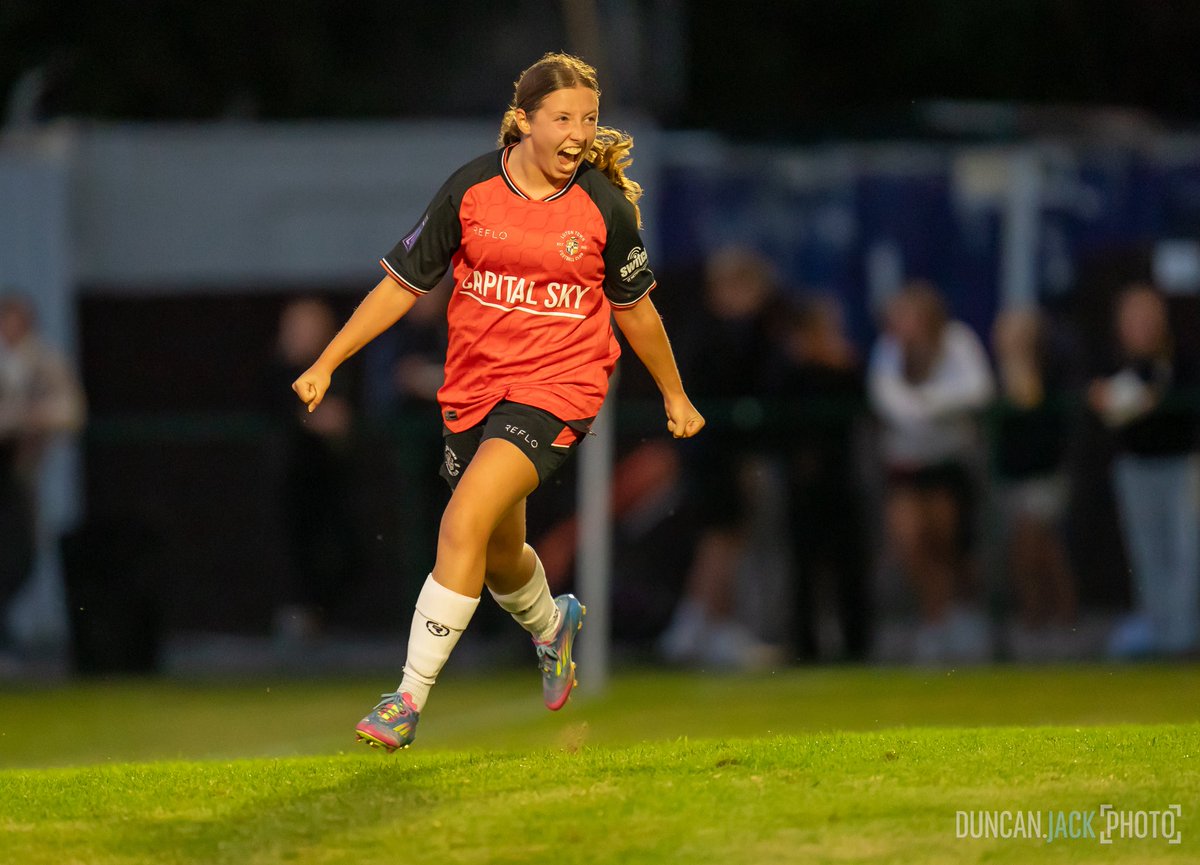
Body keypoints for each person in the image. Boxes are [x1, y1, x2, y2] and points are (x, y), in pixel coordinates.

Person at [291, 53, 704, 751]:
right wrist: (330, 360)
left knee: (460, 523)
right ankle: (552, 623)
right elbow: (401, 284)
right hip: (474, 390)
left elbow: (636, 312)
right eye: (563, 118)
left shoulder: (603, 207)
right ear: (525, 121)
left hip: (559, 389)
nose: (579, 133)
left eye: (590, 119)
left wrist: (674, 390)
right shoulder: (472, 189)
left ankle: (404, 699)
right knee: (500, 550)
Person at [867, 280, 994, 663]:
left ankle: (963, 617)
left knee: (949, 542)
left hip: (948, 464)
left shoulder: (957, 341)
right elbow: (889, 401)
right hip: (905, 467)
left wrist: (928, 404)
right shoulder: (889, 349)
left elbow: (978, 390)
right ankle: (935, 621)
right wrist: (931, 409)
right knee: (909, 540)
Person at [1088, 283, 1200, 658]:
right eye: (1133, 316)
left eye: (1148, 314)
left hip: (1182, 465)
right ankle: (1160, 633)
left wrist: (1150, 400)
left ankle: (1183, 638)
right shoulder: (1112, 361)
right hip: (1135, 467)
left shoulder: (1180, 359)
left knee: (1185, 552)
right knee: (1147, 552)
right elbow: (1100, 401)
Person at [268, 297, 363, 645]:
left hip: (333, 486)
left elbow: (345, 416)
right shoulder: (277, 374)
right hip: (291, 485)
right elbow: (284, 410)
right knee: (297, 556)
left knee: (346, 554)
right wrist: (310, 418)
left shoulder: (338, 368)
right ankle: (298, 627)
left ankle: (323, 622)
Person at [0, 293, 86, 658]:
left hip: (19, 474)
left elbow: (70, 411)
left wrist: (28, 418)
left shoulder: (43, 361)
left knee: (22, 556)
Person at [991, 307, 1079, 659]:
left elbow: (1050, 432)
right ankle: (1035, 617)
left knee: (1041, 544)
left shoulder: (1052, 375)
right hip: (1013, 479)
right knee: (1023, 549)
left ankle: (1062, 617)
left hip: (1045, 476)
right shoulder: (997, 379)